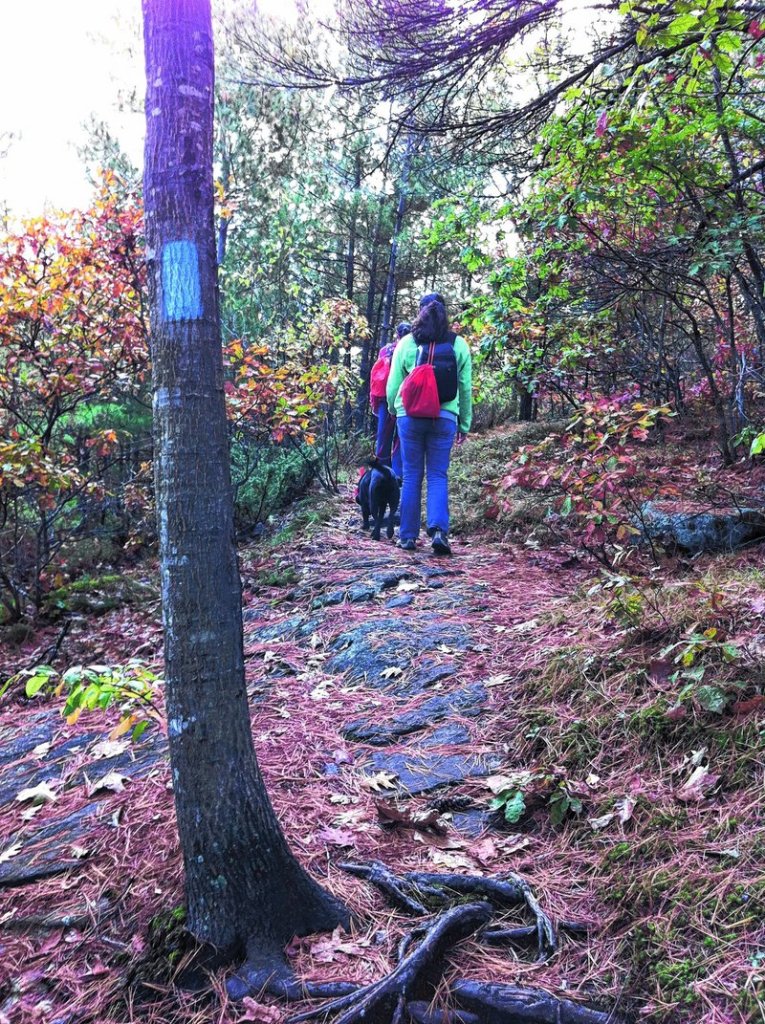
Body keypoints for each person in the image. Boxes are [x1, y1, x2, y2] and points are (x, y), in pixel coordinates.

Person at [386, 293, 472, 555]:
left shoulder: (406, 343)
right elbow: (465, 388)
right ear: (445, 313)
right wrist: (464, 423)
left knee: (412, 474)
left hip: (409, 417)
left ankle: (408, 537)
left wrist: (393, 409)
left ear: (419, 312)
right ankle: (438, 532)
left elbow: (393, 386)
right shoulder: (459, 345)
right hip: (444, 417)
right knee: (437, 475)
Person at [373, 321, 410, 479]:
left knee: (383, 438)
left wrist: (374, 400)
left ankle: (381, 474)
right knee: (400, 439)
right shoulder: (411, 349)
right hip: (405, 399)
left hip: (384, 398)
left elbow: (376, 376)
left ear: (397, 334)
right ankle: (397, 475)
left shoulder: (385, 351)